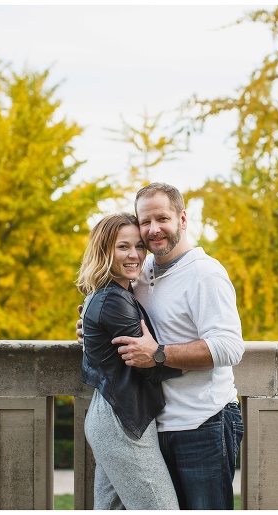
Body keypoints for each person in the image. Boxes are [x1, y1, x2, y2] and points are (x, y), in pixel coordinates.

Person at [77, 182, 245, 510]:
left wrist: (158, 354)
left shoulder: (206, 274)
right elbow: (108, 300)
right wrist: (89, 326)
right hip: (154, 424)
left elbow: (229, 347)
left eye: (162, 219)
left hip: (203, 424)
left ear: (182, 219)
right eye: (145, 222)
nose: (154, 230)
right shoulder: (143, 270)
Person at [76, 212, 181, 510]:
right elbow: (149, 366)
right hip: (122, 422)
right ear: (104, 250)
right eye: (123, 247)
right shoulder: (114, 299)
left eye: (139, 246)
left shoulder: (113, 294)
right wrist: (210, 355)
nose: (135, 255)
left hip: (112, 414)